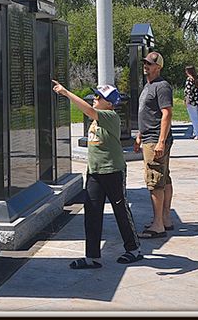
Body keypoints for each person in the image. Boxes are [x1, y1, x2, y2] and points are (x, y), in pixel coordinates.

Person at [52, 79, 142, 268]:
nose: (95, 98)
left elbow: (88, 110)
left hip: (112, 171)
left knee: (121, 210)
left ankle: (134, 249)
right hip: (94, 172)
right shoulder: (98, 117)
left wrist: (67, 93)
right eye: (95, 95)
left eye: (99, 96)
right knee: (92, 213)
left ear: (109, 103)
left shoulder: (110, 116)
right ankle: (92, 257)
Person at [133, 52, 174, 238]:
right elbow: (147, 113)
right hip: (148, 137)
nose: (146, 66)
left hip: (156, 139)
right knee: (163, 177)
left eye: (150, 64)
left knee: (155, 179)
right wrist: (139, 135)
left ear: (158, 67)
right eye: (145, 63)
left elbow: (166, 114)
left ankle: (158, 225)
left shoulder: (162, 86)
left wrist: (161, 142)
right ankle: (165, 219)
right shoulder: (148, 85)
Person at [184, 65, 198, 140]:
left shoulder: (189, 79)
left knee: (194, 118)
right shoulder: (197, 79)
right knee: (196, 118)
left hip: (192, 101)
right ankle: (195, 132)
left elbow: (188, 91)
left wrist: (187, 101)